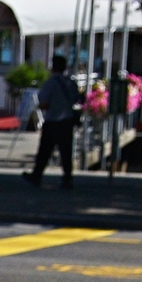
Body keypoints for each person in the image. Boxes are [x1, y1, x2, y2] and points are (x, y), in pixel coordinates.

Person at [26, 55, 84, 189]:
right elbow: (77, 100)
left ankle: (37, 175)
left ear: (53, 67)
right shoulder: (70, 83)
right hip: (67, 120)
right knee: (66, 151)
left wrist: (41, 107)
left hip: (53, 120)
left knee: (45, 150)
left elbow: (44, 103)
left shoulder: (50, 83)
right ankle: (67, 178)